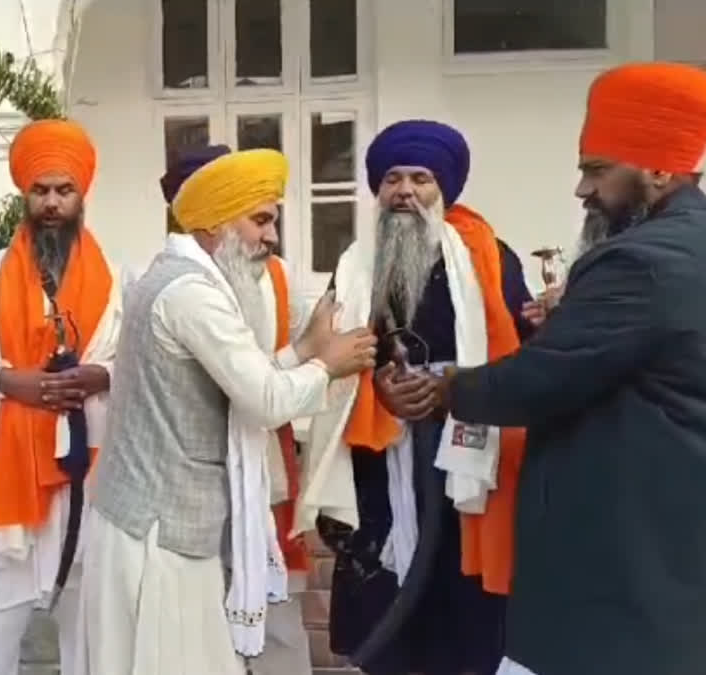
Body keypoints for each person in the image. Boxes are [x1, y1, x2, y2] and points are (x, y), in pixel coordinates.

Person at [434, 62, 706, 675]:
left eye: (597, 169)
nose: (583, 190)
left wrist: (444, 389)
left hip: (620, 569)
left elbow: (537, 383)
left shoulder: (640, 261)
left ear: (659, 169)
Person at [73, 148, 376, 675]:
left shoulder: (187, 279)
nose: (272, 236)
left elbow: (241, 383)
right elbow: (263, 400)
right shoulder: (191, 294)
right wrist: (328, 366)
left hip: (161, 526)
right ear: (216, 222)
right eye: (261, 220)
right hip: (160, 534)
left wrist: (305, 350)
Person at [295, 120, 535, 675]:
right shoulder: (357, 265)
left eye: (420, 179)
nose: (405, 191)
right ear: (377, 190)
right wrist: (380, 385)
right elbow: (333, 348)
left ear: (443, 189)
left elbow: (519, 350)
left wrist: (448, 387)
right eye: (392, 179)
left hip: (467, 454)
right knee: (387, 595)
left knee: (461, 598)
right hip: (383, 455)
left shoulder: (489, 257)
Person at [0, 119, 123, 675]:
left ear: (81, 195)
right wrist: (7, 381)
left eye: (62, 190)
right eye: (40, 190)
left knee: (88, 613)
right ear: (25, 195)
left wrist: (102, 376)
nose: (51, 202)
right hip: (13, 465)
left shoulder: (117, 277)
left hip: (91, 463)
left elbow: (135, 361)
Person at [161, 144, 316, 675]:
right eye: (257, 219)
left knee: (277, 618)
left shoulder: (278, 275)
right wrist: (308, 360)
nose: (268, 236)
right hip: (192, 479)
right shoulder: (168, 286)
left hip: (264, 465)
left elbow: (293, 363)